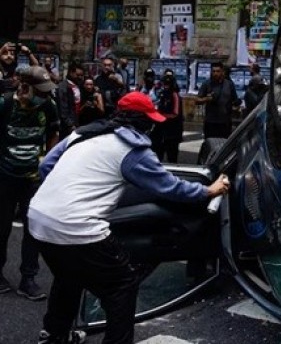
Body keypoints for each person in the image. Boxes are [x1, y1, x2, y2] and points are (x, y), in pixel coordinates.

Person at [28, 91, 230, 344]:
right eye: (150, 120)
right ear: (142, 122)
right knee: (121, 285)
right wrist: (209, 190)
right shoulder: (132, 148)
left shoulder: (82, 134)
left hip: (38, 219)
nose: (152, 126)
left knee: (69, 276)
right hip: (77, 228)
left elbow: (46, 166)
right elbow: (168, 187)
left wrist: (65, 194)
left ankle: (54, 335)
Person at [0, 66, 60, 301]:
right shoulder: (5, 104)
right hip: (4, 177)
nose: (44, 96)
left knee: (33, 229)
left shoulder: (48, 105)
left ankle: (28, 278)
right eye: (40, 91)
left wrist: (49, 161)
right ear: (25, 87)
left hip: (33, 179)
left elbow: (54, 132)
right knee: (2, 228)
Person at [195, 62, 240, 139]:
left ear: (222, 72)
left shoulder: (229, 84)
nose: (215, 73)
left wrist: (235, 108)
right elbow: (197, 100)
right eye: (213, 71)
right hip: (210, 122)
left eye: (218, 71)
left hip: (225, 122)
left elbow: (235, 101)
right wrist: (206, 99)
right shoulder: (206, 84)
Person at [152, 70, 183, 163]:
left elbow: (175, 113)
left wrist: (161, 116)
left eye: (168, 84)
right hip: (161, 130)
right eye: (164, 83)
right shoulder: (161, 94)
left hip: (172, 131)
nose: (166, 85)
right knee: (158, 155)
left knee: (172, 157)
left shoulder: (175, 95)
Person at [56, 61, 83, 140]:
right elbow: (63, 108)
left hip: (77, 121)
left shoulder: (78, 85)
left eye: (82, 75)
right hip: (68, 126)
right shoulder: (63, 87)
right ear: (71, 73)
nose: (80, 77)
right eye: (78, 75)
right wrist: (70, 125)